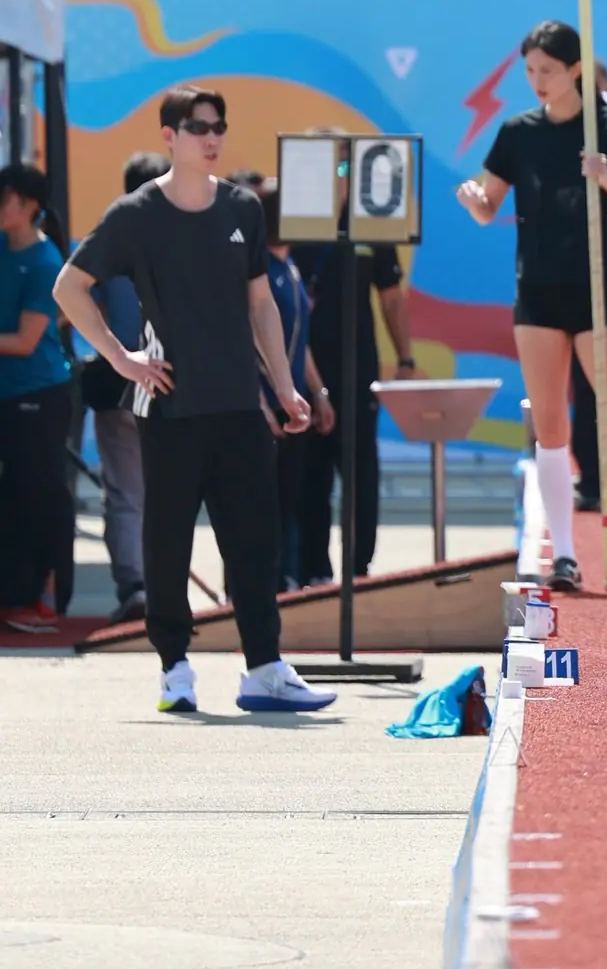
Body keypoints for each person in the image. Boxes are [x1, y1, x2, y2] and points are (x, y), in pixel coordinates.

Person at [53, 83, 334, 714]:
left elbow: (260, 303)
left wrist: (285, 388)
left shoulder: (242, 208)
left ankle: (263, 669)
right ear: (169, 136)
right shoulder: (134, 215)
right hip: (172, 406)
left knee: (253, 542)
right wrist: (121, 358)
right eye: (199, 126)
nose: (212, 137)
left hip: (240, 404)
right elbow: (69, 287)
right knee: (168, 541)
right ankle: (174, 669)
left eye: (219, 127)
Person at [457, 20, 607, 595]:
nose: (538, 81)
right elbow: (489, 201)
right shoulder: (518, 131)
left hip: (599, 288)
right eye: (530, 72)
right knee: (550, 421)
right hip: (537, 288)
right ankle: (562, 553)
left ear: (575, 71)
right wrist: (474, 201)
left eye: (547, 70)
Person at [293, 173, 415, 585]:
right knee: (309, 476)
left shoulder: (372, 225)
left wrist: (406, 356)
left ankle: (358, 570)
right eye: (330, 167)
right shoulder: (294, 222)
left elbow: (391, 295)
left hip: (358, 370)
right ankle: (313, 572)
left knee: (361, 472)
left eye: (346, 169)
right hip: (300, 374)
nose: (339, 179)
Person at [82, 149, 168, 624]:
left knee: (125, 489)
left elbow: (79, 300)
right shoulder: (181, 235)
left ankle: (136, 585)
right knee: (165, 490)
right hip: (167, 381)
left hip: (120, 377)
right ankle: (157, 584)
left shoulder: (106, 237)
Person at [244, 177, 334, 590]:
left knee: (289, 502)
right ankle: (257, 589)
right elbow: (245, 339)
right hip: (266, 407)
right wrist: (261, 405)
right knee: (260, 509)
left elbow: (302, 342)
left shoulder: (292, 266)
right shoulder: (259, 271)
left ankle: (285, 582)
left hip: (293, 404)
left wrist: (318, 392)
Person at [0, 164, 75, 633]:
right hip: (8, 395)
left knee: (34, 497)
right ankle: (14, 596)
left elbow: (27, 341)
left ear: (29, 206)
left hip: (39, 397)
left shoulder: (47, 261)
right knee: (11, 497)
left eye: (4, 198)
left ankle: (40, 598)